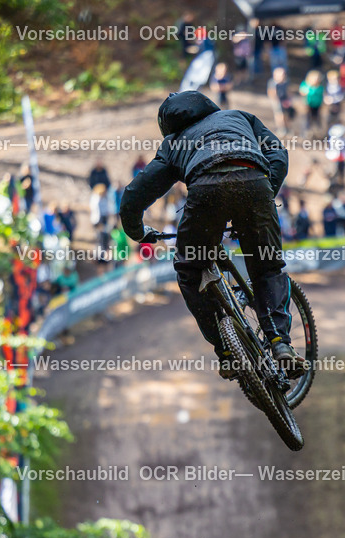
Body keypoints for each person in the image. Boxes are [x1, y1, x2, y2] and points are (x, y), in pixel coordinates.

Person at [118, 91, 304, 379]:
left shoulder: (174, 144)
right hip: (254, 180)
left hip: (206, 191)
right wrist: (266, 193)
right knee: (267, 266)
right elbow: (277, 153)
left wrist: (139, 232)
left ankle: (227, 352)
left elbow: (135, 195)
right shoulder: (240, 117)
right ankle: (280, 342)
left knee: (189, 269)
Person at [267, 67, 295, 137]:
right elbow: (272, 93)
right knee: (279, 115)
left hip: (285, 100)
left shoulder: (286, 82)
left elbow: (288, 91)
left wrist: (289, 100)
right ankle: (281, 128)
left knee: (287, 115)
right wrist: (278, 101)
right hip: (277, 101)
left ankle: (287, 128)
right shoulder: (273, 83)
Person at [299, 70, 325, 137]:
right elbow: (302, 91)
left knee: (317, 119)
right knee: (307, 119)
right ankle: (306, 132)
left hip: (317, 106)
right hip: (308, 105)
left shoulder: (320, 87)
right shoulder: (306, 85)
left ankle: (317, 132)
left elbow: (322, 95)